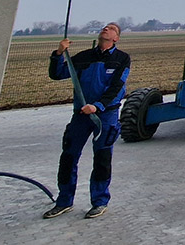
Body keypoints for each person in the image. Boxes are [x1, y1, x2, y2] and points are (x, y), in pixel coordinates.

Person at [44, 22, 130, 220]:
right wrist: (59, 54)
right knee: (68, 157)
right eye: (105, 27)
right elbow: (57, 74)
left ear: (116, 38)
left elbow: (117, 87)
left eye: (111, 28)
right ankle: (64, 202)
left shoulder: (121, 59)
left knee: (101, 159)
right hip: (81, 116)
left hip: (105, 116)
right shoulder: (84, 57)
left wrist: (98, 106)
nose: (105, 29)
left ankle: (99, 202)